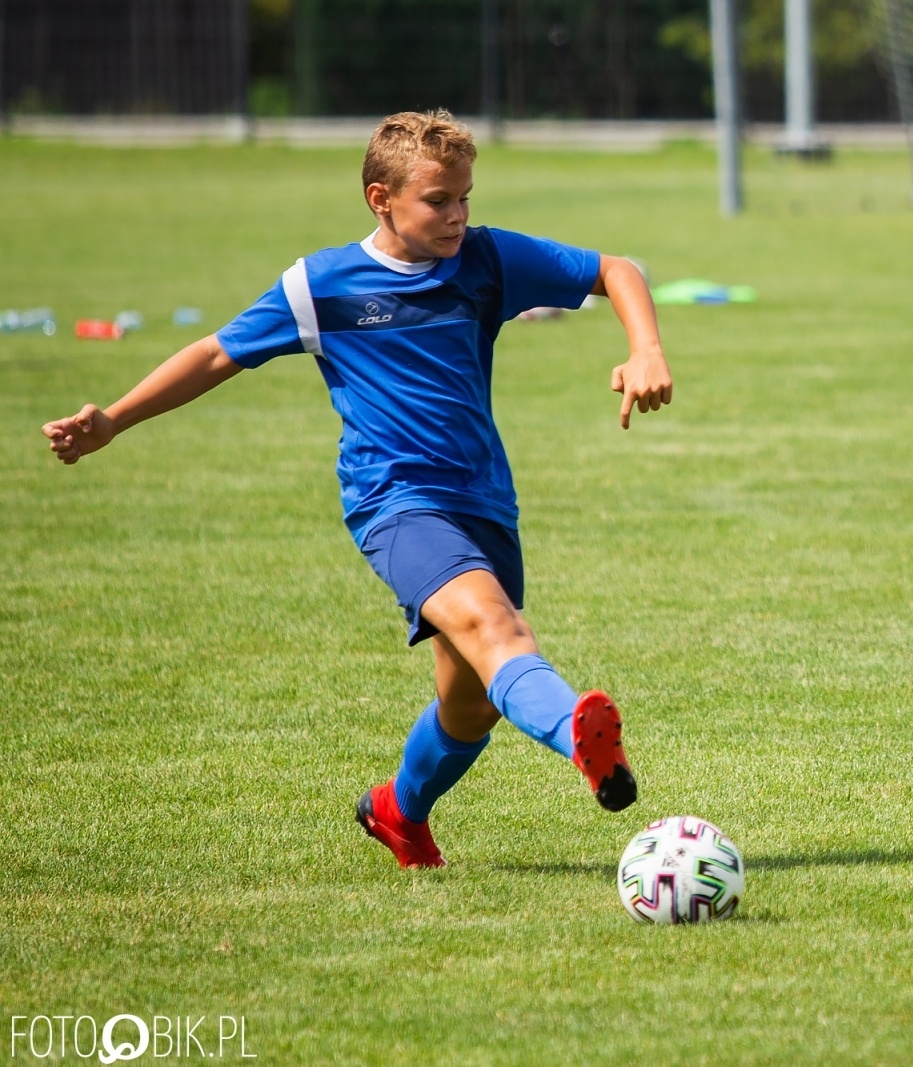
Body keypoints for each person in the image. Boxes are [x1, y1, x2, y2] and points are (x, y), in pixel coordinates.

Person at [41, 110, 674, 868]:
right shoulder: (321, 285)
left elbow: (615, 269)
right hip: (395, 502)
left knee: (469, 703)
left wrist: (646, 348)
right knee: (497, 633)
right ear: (381, 198)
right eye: (438, 201)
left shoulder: (486, 261)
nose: (458, 215)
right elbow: (216, 355)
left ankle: (397, 812)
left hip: (485, 504)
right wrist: (113, 418)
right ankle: (578, 728)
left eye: (466, 197)